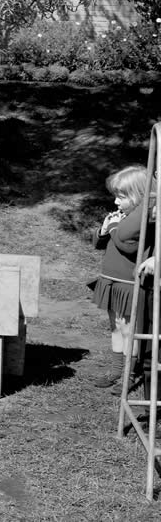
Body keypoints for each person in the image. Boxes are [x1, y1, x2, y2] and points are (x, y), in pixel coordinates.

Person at [90, 164, 155, 390]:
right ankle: (117, 370)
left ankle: (129, 374)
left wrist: (116, 227)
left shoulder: (144, 223)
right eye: (116, 196)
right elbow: (99, 243)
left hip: (129, 284)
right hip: (110, 280)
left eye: (122, 197)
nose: (116, 202)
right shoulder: (122, 218)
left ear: (138, 196)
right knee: (115, 326)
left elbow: (127, 245)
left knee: (129, 329)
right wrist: (104, 229)